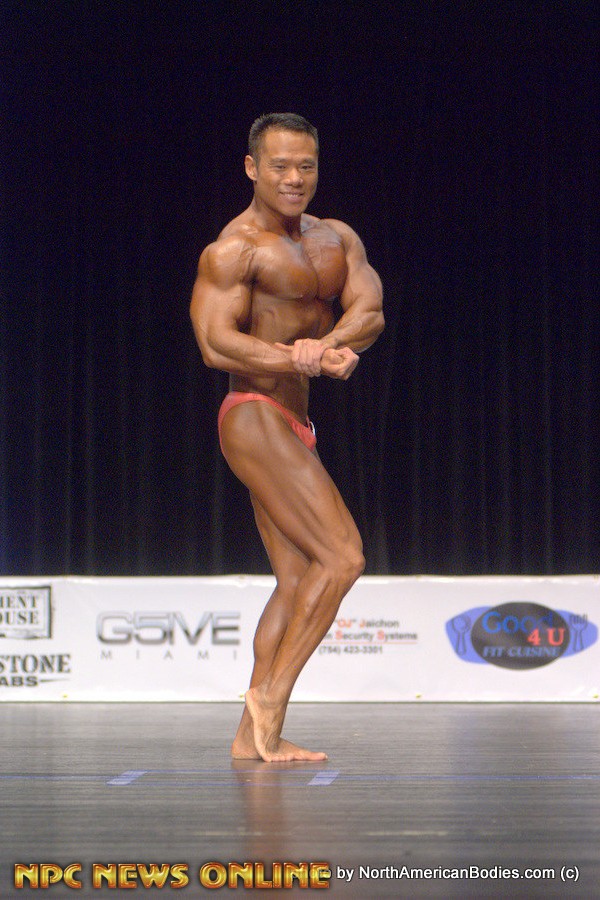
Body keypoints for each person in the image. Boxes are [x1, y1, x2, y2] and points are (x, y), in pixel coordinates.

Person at [190, 113, 384, 762]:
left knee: (298, 579)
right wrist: (293, 359)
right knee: (343, 557)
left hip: (296, 422)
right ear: (252, 169)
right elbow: (215, 343)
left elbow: (370, 311)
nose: (294, 178)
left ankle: (252, 739)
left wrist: (328, 347)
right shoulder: (234, 249)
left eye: (306, 165)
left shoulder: (337, 238)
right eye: (279, 166)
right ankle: (270, 699)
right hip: (254, 413)